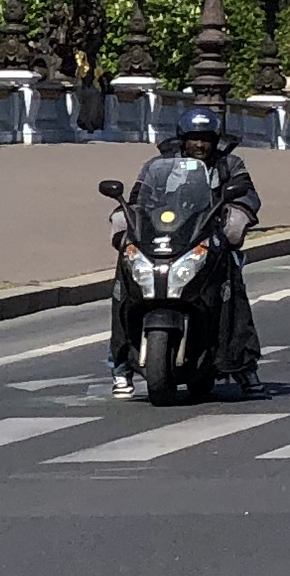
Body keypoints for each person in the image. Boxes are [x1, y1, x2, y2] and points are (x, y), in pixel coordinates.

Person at [107, 105, 264, 395]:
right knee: (125, 285)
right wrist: (125, 218)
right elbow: (138, 198)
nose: (200, 144)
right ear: (182, 138)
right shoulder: (161, 164)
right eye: (193, 138)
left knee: (232, 288)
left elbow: (247, 195)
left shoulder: (230, 164)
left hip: (208, 236)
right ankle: (119, 364)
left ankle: (244, 366)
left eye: (205, 138)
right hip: (166, 236)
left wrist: (236, 216)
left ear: (215, 140)